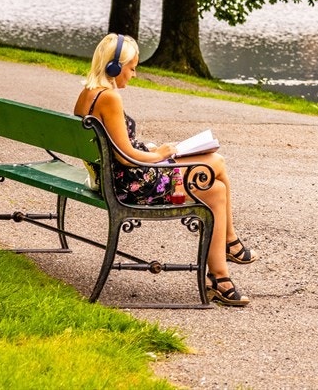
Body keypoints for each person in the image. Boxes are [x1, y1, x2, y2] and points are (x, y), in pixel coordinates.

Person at [74, 33, 254, 306]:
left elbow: (116, 146)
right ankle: (229, 245)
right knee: (215, 163)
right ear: (114, 67)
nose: (133, 75)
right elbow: (126, 158)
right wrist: (158, 154)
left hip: (114, 178)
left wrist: (151, 149)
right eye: (132, 68)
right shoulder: (109, 97)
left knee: (214, 189)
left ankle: (219, 276)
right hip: (131, 183)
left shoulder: (88, 92)